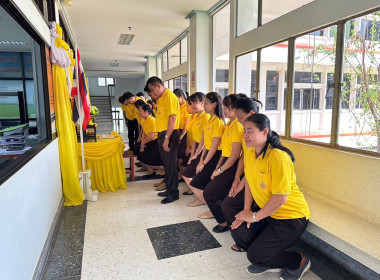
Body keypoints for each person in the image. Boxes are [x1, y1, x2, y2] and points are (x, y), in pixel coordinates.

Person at [231, 113, 311, 280]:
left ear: (265, 132)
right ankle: (269, 259)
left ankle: (299, 261)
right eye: (244, 131)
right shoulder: (252, 154)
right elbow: (250, 185)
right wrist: (247, 211)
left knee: (255, 256)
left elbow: (280, 199)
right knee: (239, 232)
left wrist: (254, 217)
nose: (245, 135)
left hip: (290, 218)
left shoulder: (278, 158)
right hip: (269, 214)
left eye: (250, 131)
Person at [202, 94, 243, 232]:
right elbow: (225, 151)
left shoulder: (237, 126)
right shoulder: (229, 124)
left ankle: (224, 222)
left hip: (233, 165)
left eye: (228, 107)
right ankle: (226, 219)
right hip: (225, 161)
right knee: (216, 193)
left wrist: (220, 170)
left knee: (208, 193)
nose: (224, 109)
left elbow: (235, 155)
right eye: (224, 106)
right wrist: (217, 167)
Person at [183, 92, 225, 213]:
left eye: (206, 103)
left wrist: (203, 161)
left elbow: (214, 146)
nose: (204, 105)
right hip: (206, 154)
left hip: (216, 155)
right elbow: (205, 141)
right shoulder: (211, 120)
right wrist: (199, 158)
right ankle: (209, 206)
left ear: (214, 105)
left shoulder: (217, 121)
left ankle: (212, 210)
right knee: (196, 181)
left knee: (195, 181)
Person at [146, 76, 180, 204]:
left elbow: (172, 118)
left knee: (171, 164)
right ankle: (168, 188)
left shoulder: (170, 97)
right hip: (163, 133)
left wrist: (167, 138)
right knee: (166, 163)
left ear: (158, 86)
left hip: (169, 134)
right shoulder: (162, 98)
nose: (151, 93)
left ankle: (173, 193)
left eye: (152, 89)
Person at [181, 92, 210, 203]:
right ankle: (199, 197)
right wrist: (192, 153)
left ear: (202, 103)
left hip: (204, 150)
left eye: (194, 103)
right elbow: (194, 138)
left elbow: (204, 140)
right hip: (196, 147)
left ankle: (202, 199)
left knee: (187, 175)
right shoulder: (197, 116)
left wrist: (197, 155)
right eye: (191, 103)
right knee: (190, 174)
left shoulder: (206, 117)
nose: (192, 105)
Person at [137, 103, 164, 178]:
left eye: (140, 111)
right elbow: (145, 132)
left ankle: (164, 170)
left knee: (151, 160)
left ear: (146, 112)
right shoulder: (143, 119)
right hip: (148, 140)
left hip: (155, 141)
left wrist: (143, 143)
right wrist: (142, 142)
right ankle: (151, 170)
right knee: (140, 155)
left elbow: (151, 136)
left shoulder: (152, 120)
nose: (139, 112)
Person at [173, 88, 190, 182]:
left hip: (185, 132)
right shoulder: (179, 106)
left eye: (176, 99)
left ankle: (184, 174)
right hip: (179, 130)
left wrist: (182, 135)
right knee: (178, 154)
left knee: (182, 155)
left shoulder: (187, 106)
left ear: (181, 97)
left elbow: (187, 122)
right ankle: (181, 173)